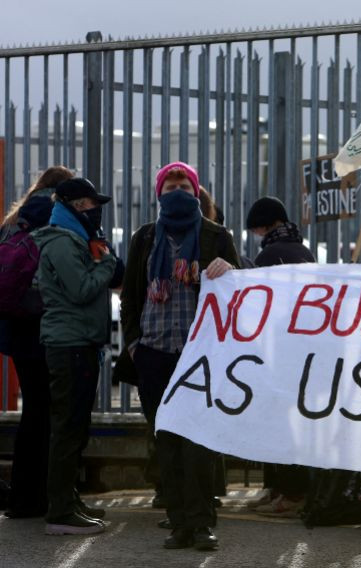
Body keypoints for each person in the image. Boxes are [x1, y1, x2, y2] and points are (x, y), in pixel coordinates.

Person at [117, 161, 240, 551]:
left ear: (196, 191)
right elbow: (130, 297)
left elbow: (240, 292)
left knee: (199, 443)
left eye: (184, 186)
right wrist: (135, 346)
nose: (177, 191)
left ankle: (202, 523)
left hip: (199, 356)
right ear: (159, 193)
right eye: (170, 186)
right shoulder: (144, 238)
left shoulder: (216, 235)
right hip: (154, 353)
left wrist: (229, 268)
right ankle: (179, 522)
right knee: (166, 443)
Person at [33, 177, 117, 535]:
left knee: (75, 428)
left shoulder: (77, 238)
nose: (94, 210)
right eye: (90, 204)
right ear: (75, 206)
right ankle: (60, 512)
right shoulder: (62, 243)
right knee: (67, 429)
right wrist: (107, 264)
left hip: (80, 342)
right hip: (69, 345)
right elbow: (81, 289)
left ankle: (68, 500)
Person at [0, 166, 73, 519]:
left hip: (17, 327)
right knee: (51, 413)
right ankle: (42, 496)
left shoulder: (14, 220)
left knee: (32, 411)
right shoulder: (57, 215)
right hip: (48, 325)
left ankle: (21, 498)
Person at [243, 196, 314, 515]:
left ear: (266, 225)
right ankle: (284, 489)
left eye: (256, 228)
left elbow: (258, 304)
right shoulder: (304, 251)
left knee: (277, 423)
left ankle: (288, 492)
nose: (255, 234)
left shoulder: (269, 255)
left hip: (278, 350)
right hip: (303, 349)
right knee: (294, 421)